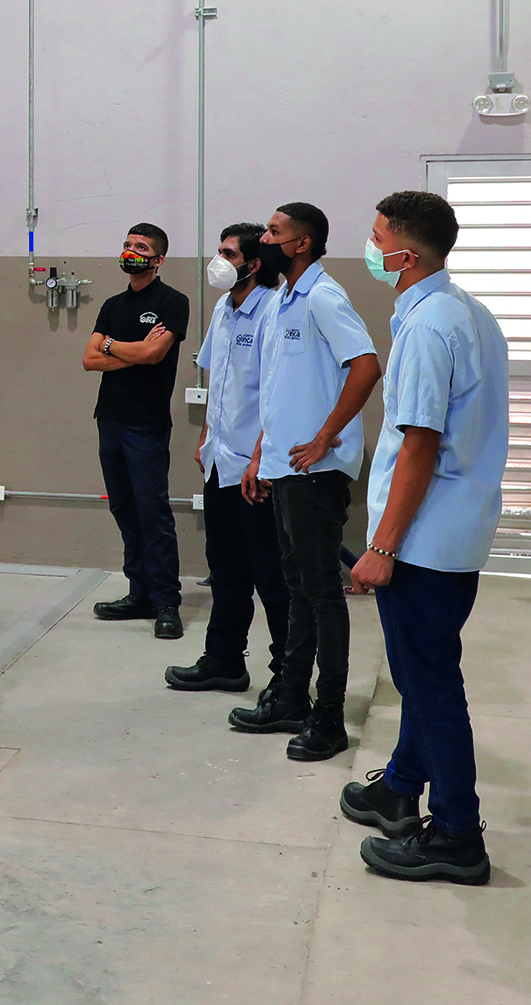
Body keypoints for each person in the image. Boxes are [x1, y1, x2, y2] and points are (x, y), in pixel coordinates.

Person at [338, 191, 509, 886]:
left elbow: (418, 445)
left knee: (430, 683)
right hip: (453, 532)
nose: (371, 246)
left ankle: (458, 836)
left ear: (405, 255)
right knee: (420, 672)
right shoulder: (467, 312)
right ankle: (401, 784)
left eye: (377, 237)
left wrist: (380, 546)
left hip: (422, 542)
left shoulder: (428, 327)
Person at [229, 202, 381, 763]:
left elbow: (365, 365)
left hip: (315, 471)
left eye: (274, 231)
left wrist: (325, 437)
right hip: (284, 466)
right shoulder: (282, 301)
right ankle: (291, 695)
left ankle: (329, 717)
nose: (263, 237)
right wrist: (260, 456)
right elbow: (280, 386)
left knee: (321, 593)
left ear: (301, 244)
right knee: (296, 586)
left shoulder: (323, 296)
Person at [165, 222, 291, 694]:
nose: (218, 261)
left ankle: (286, 675)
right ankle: (223, 659)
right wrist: (205, 438)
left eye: (228, 253)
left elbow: (277, 395)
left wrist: (260, 459)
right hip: (220, 460)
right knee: (226, 569)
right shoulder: (223, 307)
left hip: (255, 469)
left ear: (255, 263)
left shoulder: (274, 311)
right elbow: (218, 383)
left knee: (271, 575)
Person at [82, 224, 192, 638]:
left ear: (158, 259)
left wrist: (113, 347)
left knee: (153, 512)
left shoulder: (171, 302)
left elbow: (154, 353)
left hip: (145, 423)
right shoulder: (112, 304)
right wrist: (128, 351)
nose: (131, 251)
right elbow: (89, 360)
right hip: (108, 418)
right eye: (127, 245)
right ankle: (139, 592)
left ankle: (166, 601)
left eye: (141, 247)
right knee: (124, 509)